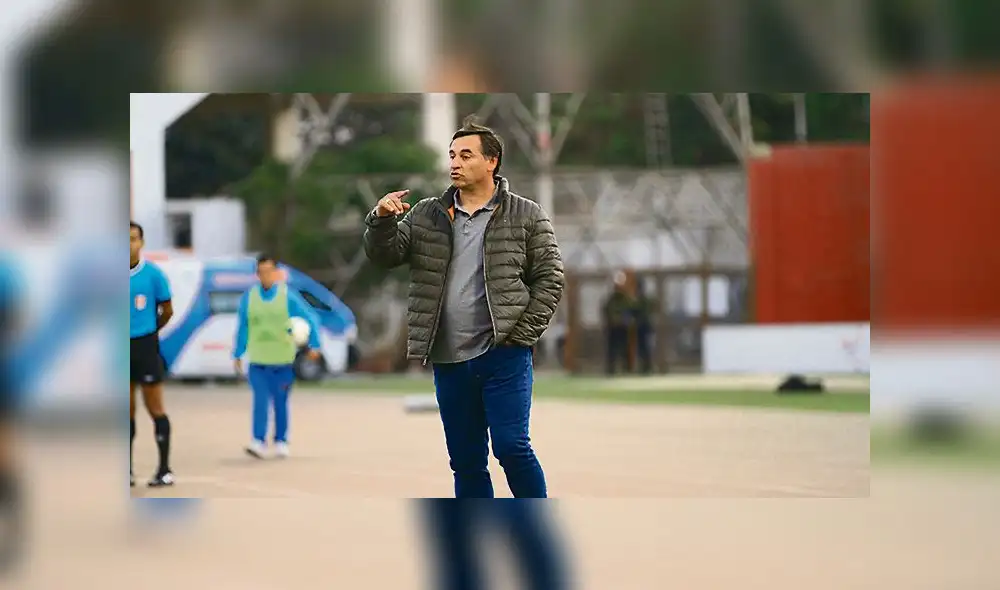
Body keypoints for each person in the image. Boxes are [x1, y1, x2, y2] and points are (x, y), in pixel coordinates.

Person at [363, 116, 564, 499]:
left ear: (492, 162)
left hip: (503, 357)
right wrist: (382, 220)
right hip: (449, 359)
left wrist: (518, 337)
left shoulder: (527, 214)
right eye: (452, 155)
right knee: (466, 461)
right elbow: (385, 255)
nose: (454, 162)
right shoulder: (426, 214)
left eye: (466, 155)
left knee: (511, 448)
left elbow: (551, 280)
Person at [232, 254, 322, 459]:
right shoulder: (249, 297)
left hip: (282, 360)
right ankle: (258, 441)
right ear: (257, 274)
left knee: (280, 402)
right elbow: (243, 326)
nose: (265, 276)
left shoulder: (287, 296)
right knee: (260, 401)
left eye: (269, 271)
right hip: (258, 360)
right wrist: (238, 352)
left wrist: (314, 345)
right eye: (261, 272)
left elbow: (311, 317)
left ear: (276, 273)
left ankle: (281, 440)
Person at [129, 221, 175, 488]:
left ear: (141, 243)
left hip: (145, 346)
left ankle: (164, 469)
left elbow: (167, 310)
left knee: (155, 407)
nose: (129, 244)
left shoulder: (153, 275)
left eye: (134, 239)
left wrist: (151, 331)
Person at [602, 272, 634, 375]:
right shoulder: (611, 300)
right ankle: (611, 369)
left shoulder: (626, 299)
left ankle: (626, 369)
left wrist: (625, 321)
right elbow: (606, 311)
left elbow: (630, 311)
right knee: (612, 349)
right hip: (613, 328)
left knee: (624, 349)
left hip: (623, 328)